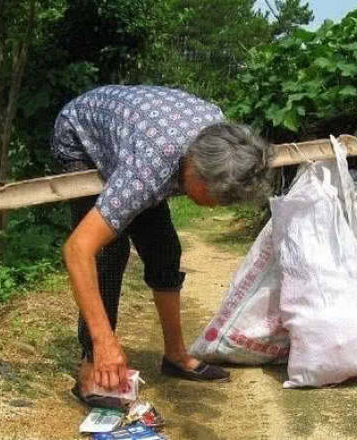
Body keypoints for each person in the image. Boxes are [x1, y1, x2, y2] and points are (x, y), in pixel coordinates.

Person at [51, 85, 271, 406]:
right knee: (108, 253)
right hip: (80, 133)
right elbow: (77, 249)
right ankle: (91, 361)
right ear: (193, 168)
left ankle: (175, 355)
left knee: (164, 250)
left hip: (142, 137)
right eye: (215, 196)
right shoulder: (146, 171)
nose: (215, 206)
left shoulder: (221, 139)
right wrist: (105, 342)